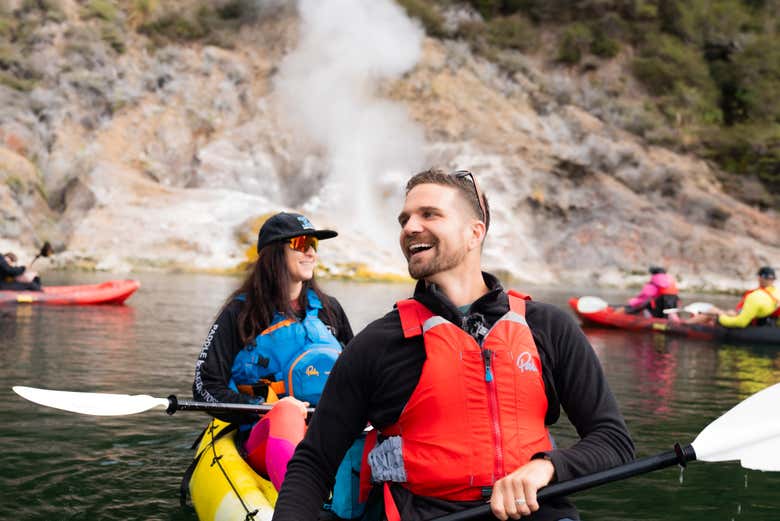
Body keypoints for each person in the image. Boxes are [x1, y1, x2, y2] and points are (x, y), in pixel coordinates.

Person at [273, 169, 634, 521]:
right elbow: (314, 462)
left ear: (475, 233)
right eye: (404, 219)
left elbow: (613, 441)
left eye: (429, 214)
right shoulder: (377, 344)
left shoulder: (549, 327)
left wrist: (546, 467)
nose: (410, 227)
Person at [192, 212, 354, 491]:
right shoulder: (240, 313)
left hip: (325, 432)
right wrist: (263, 407)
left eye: (314, 244)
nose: (311, 253)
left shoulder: (330, 309)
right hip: (265, 437)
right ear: (274, 253)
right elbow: (204, 386)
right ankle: (298, 502)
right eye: (302, 244)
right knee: (287, 415)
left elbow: (358, 375)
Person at [687, 266, 779, 328]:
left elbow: (742, 322)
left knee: (713, 311)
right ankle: (697, 323)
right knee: (718, 312)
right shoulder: (776, 292)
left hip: (749, 322)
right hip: (760, 320)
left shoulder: (755, 296)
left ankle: (684, 325)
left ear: (760, 277)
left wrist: (720, 318)